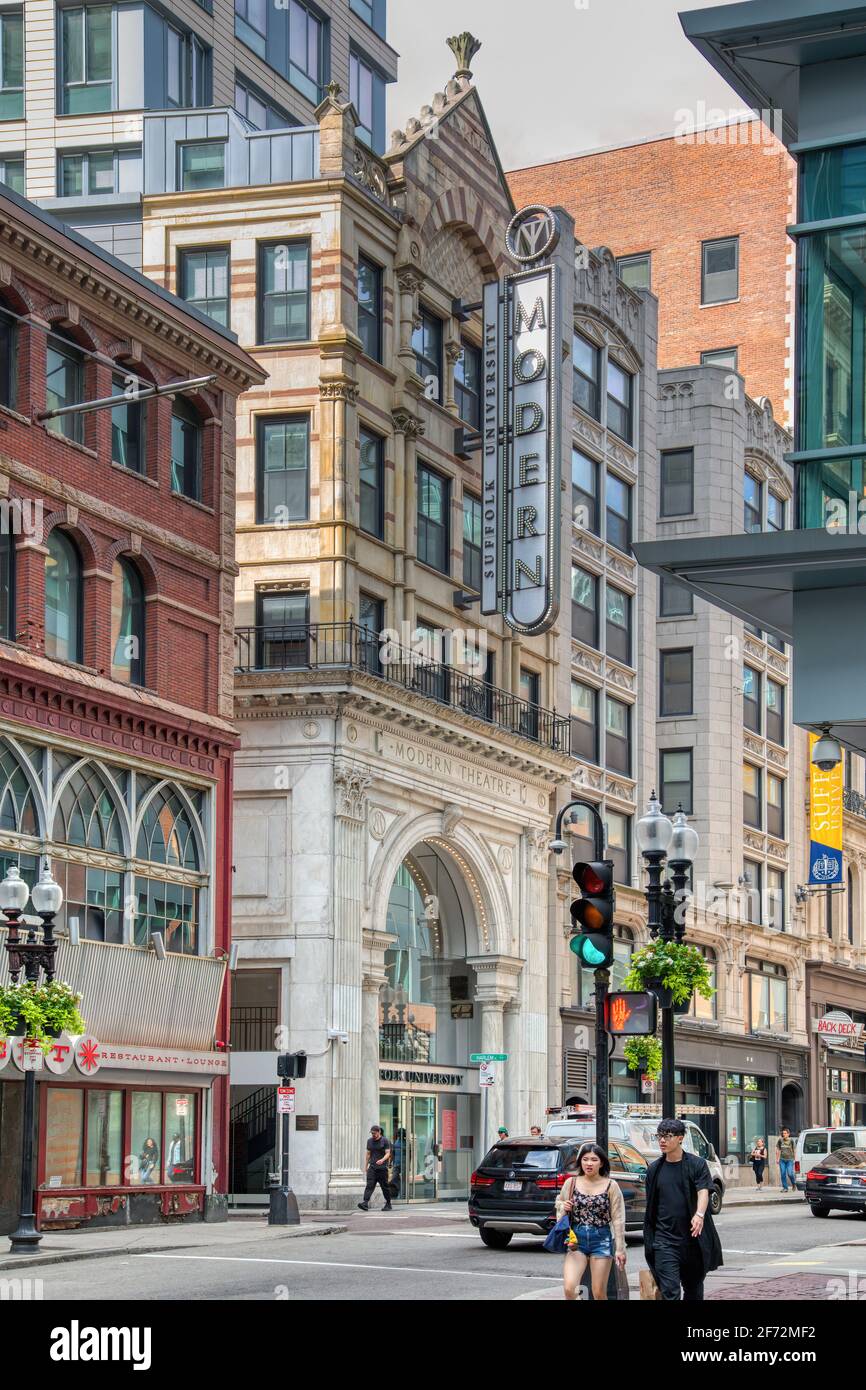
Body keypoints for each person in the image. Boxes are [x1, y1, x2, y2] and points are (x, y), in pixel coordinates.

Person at [643, 1118, 723, 1301]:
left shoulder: (697, 1164)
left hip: (693, 1241)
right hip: (664, 1241)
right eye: (659, 1136)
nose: (662, 1140)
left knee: (694, 1291)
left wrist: (699, 1214)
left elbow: (703, 1190)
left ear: (680, 1138)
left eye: (667, 1136)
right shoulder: (654, 1169)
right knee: (670, 1291)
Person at [556, 1143, 626, 1301]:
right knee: (569, 1288)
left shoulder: (611, 1185)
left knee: (599, 1293)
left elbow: (618, 1219)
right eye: (585, 1159)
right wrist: (563, 1206)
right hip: (576, 1239)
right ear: (580, 1162)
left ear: (601, 1163)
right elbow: (559, 1205)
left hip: (601, 1239)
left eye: (594, 1160)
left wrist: (620, 1249)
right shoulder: (571, 1183)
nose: (589, 1163)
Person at [358, 1125, 392, 1211]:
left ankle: (388, 1203)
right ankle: (365, 1203)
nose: (373, 1135)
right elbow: (368, 1154)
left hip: (382, 1168)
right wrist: (366, 1166)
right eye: (372, 1133)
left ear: (379, 1132)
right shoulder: (369, 1141)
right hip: (372, 1167)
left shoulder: (385, 1140)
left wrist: (382, 1160)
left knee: (385, 1187)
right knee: (369, 1185)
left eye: (374, 1133)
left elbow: (388, 1153)